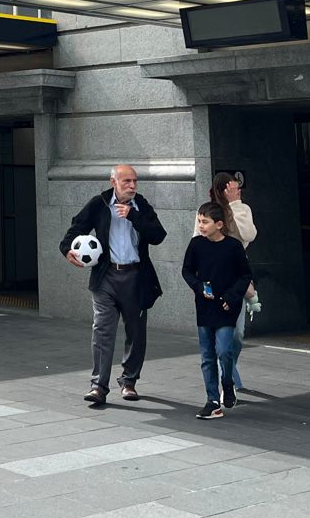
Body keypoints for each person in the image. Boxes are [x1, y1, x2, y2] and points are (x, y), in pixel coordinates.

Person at [59, 164, 167, 405]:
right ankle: (98, 386)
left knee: (135, 332)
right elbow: (76, 227)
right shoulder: (99, 204)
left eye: (135, 181)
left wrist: (133, 216)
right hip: (105, 277)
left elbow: (158, 235)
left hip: (136, 277)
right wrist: (67, 249)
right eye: (126, 181)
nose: (132, 185)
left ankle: (129, 382)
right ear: (113, 182)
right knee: (102, 330)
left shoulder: (141, 206)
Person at [183, 201, 253, 419]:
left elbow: (245, 274)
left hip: (226, 307)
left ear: (219, 224)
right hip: (204, 306)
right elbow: (187, 271)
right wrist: (198, 286)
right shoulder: (196, 244)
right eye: (199, 221)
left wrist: (232, 296)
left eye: (205, 222)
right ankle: (212, 401)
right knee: (207, 356)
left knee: (224, 350)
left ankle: (227, 383)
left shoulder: (233, 246)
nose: (200, 226)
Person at [195, 172, 259, 390]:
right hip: (213, 277)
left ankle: (228, 370)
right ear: (222, 190)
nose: (237, 191)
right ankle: (227, 380)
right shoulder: (207, 211)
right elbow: (198, 241)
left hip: (237, 276)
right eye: (232, 188)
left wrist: (235, 205)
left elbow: (249, 235)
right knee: (222, 331)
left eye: (238, 188)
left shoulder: (243, 208)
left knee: (237, 334)